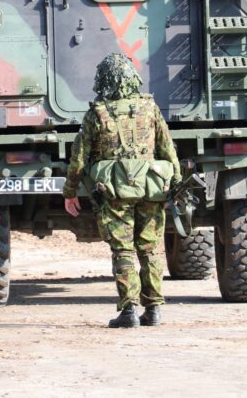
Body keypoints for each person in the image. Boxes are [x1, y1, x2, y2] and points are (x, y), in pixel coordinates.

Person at [62, 53, 181, 328]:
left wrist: (70, 192)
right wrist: (174, 184)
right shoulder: (150, 108)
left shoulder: (97, 113)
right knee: (150, 249)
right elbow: (168, 150)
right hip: (151, 188)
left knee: (123, 250)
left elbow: (79, 159)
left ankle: (129, 311)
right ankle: (154, 310)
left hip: (114, 192)